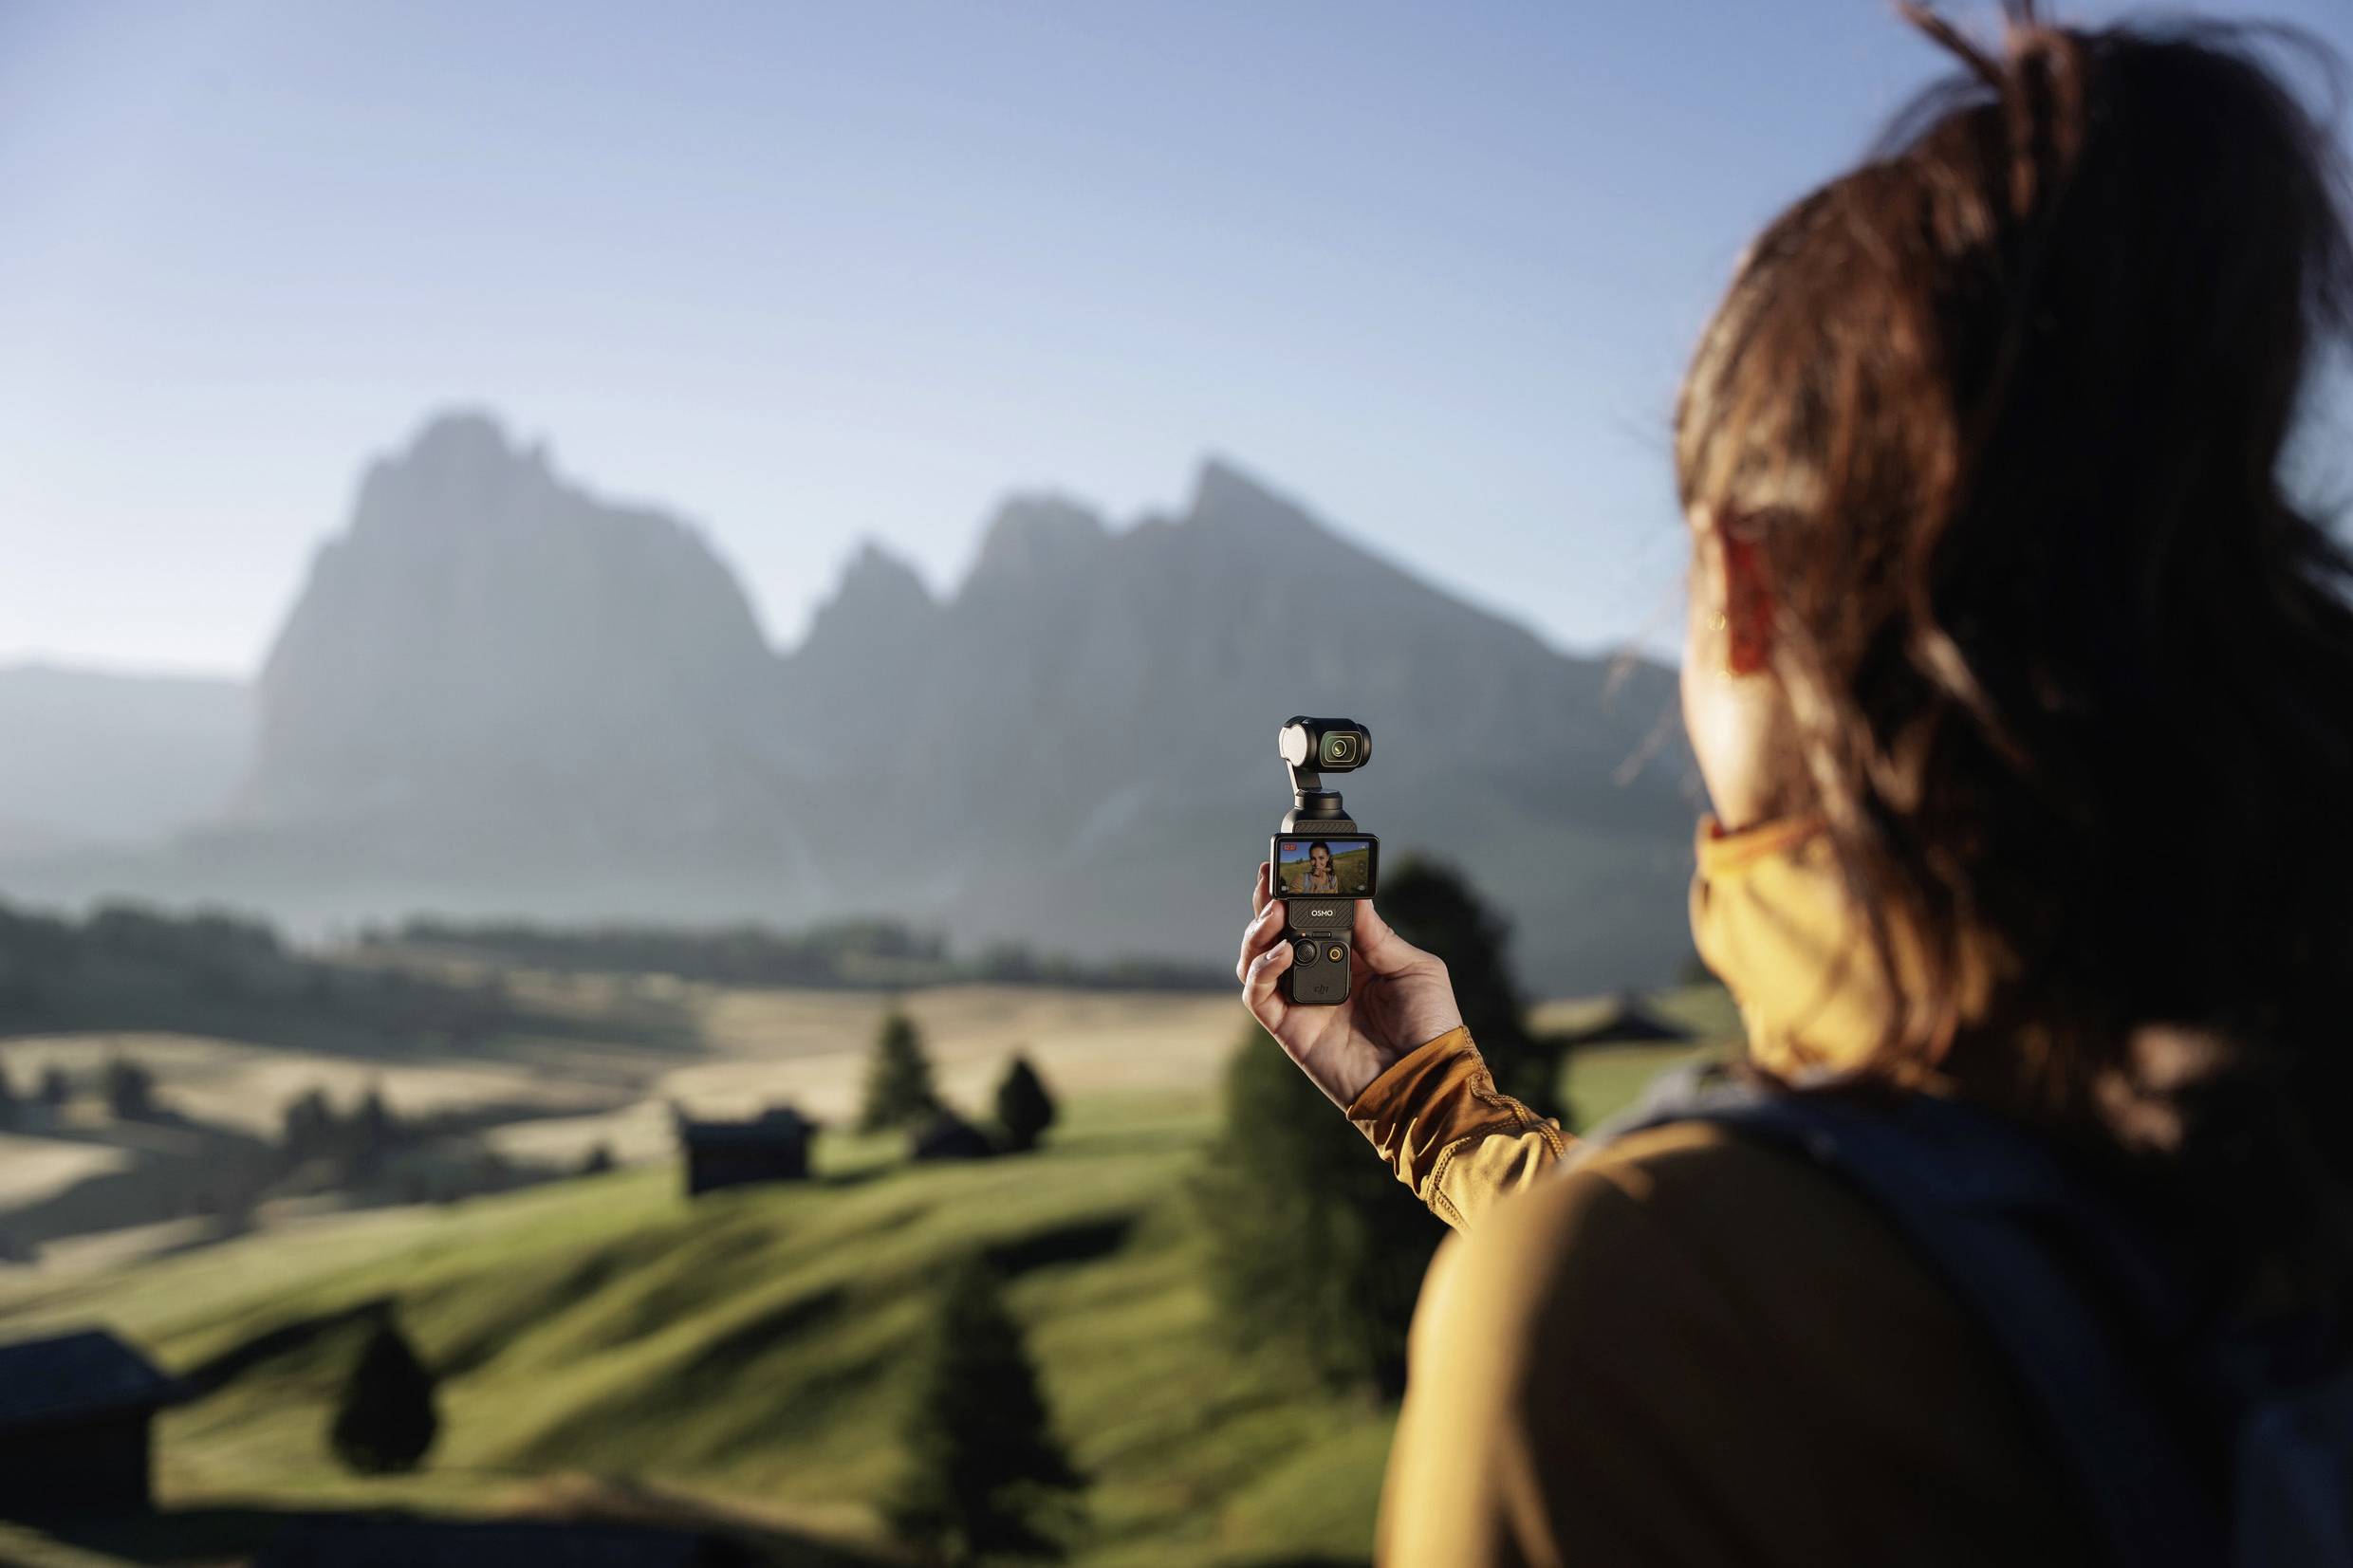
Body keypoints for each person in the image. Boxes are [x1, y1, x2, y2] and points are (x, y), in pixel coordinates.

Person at [1235, 6, 2353, 1564]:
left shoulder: (1623, 1332)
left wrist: (1564, 1252)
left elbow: (1766, 1313)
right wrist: (1439, 1113)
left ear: (1743, 589)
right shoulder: (2265, 1083)